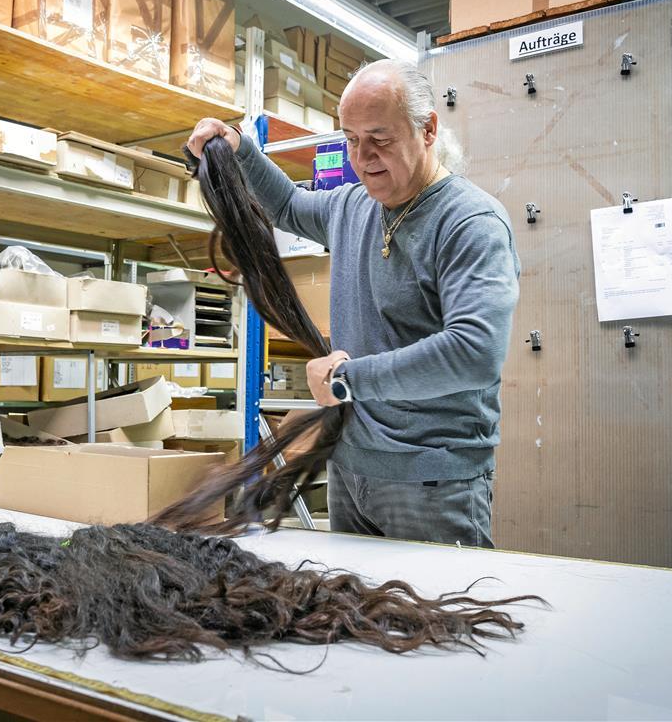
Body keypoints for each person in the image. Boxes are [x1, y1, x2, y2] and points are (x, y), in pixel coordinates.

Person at [185, 59, 519, 547]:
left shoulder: (470, 222)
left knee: (439, 619)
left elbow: (474, 353)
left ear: (427, 129)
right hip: (350, 471)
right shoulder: (352, 206)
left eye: (380, 139)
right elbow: (287, 207)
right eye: (351, 139)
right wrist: (239, 147)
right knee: (358, 616)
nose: (364, 157)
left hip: (431, 483)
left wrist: (349, 380)